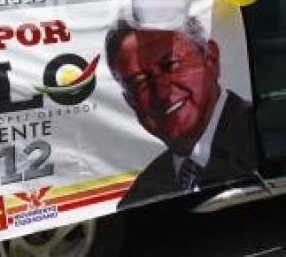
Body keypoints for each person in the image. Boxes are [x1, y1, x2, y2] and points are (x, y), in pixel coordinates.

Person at [105, 17, 257, 208]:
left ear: (210, 58)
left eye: (171, 65)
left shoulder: (263, 131)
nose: (162, 92)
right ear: (130, 102)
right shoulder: (140, 194)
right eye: (139, 83)